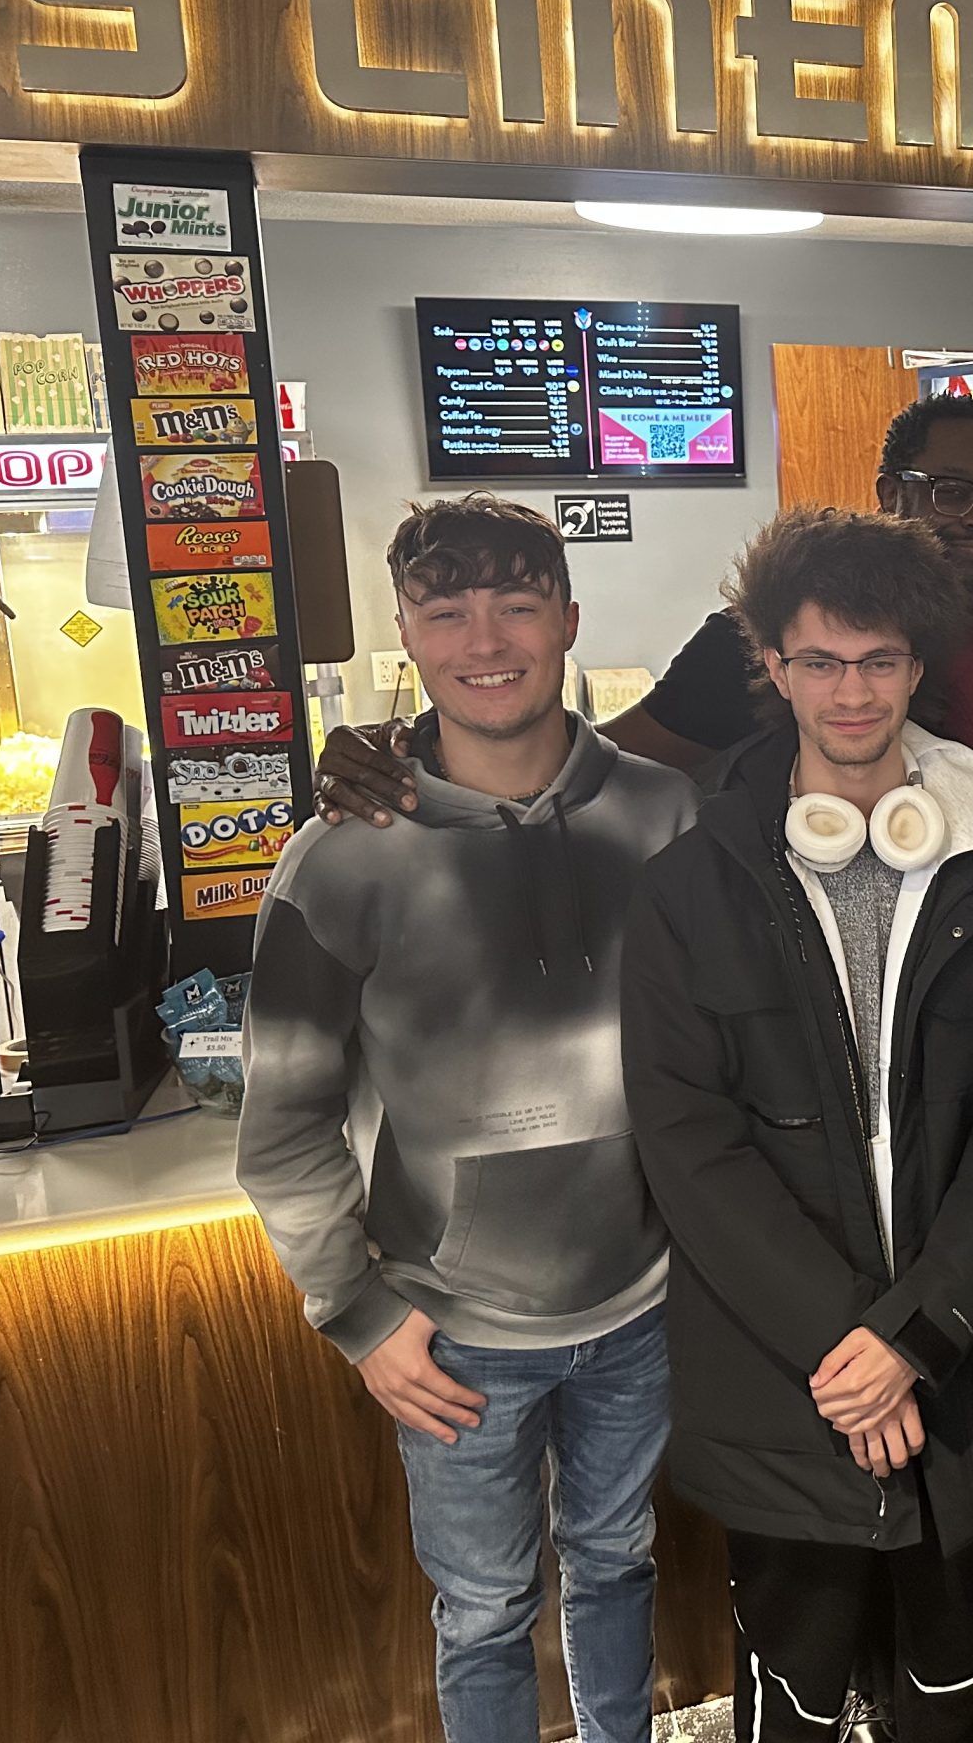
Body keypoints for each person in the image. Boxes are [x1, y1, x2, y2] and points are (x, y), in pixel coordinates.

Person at [239, 494, 699, 1743]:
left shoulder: (667, 817)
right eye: (447, 611)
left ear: (567, 619)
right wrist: (359, 1316)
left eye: (515, 603)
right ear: (406, 631)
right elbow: (279, 1128)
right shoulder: (341, 856)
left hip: (644, 1305)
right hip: (450, 1334)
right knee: (486, 1608)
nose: (484, 638)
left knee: (616, 1566)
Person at [620, 506, 973, 1743]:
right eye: (819, 659)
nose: (852, 690)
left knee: (955, 1700)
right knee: (795, 1706)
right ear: (769, 664)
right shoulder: (689, 884)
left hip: (967, 1370)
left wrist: (919, 1332)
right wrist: (851, 1351)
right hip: (789, 1384)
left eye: (879, 660)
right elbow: (687, 1141)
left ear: (918, 666)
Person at [316, 394, 973, 880]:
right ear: (891, 493)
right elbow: (580, 768)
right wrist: (407, 749)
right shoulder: (751, 644)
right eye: (954, 494)